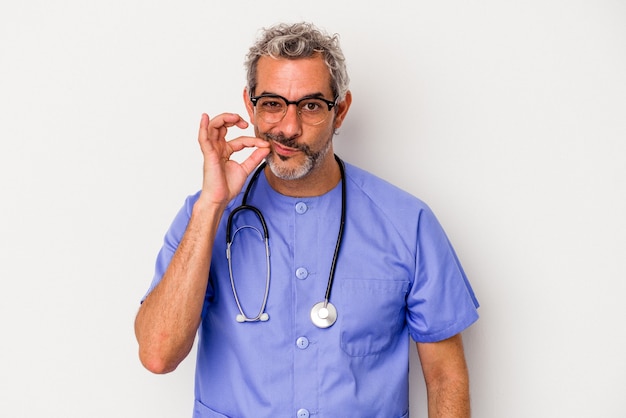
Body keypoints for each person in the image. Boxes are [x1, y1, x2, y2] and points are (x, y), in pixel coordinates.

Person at [135, 22, 479, 418]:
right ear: (250, 106)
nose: (289, 127)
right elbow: (157, 355)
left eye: (312, 106)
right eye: (272, 103)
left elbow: (445, 378)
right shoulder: (205, 218)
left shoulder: (408, 224)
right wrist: (212, 205)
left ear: (341, 110)